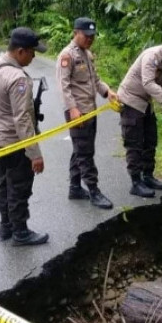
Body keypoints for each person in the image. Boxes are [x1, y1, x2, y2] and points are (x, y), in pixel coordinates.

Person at [0, 27, 49, 246]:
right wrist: (35, 153)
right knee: (19, 188)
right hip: (14, 143)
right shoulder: (17, 78)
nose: (34, 56)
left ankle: (6, 226)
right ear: (20, 51)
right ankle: (20, 232)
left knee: (4, 185)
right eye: (32, 52)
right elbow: (22, 120)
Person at [56, 17, 119, 209]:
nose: (90, 39)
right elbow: (64, 86)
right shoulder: (67, 56)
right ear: (76, 33)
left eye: (92, 36)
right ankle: (94, 191)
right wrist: (72, 109)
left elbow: (96, 81)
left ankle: (75, 187)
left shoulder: (88, 54)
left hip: (90, 110)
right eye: (86, 36)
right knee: (85, 153)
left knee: (81, 149)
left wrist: (108, 92)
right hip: (78, 113)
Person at [117, 33, 162, 198]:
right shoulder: (152, 56)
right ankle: (136, 182)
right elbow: (148, 83)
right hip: (130, 100)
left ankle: (147, 176)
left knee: (151, 139)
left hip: (145, 102)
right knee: (134, 142)